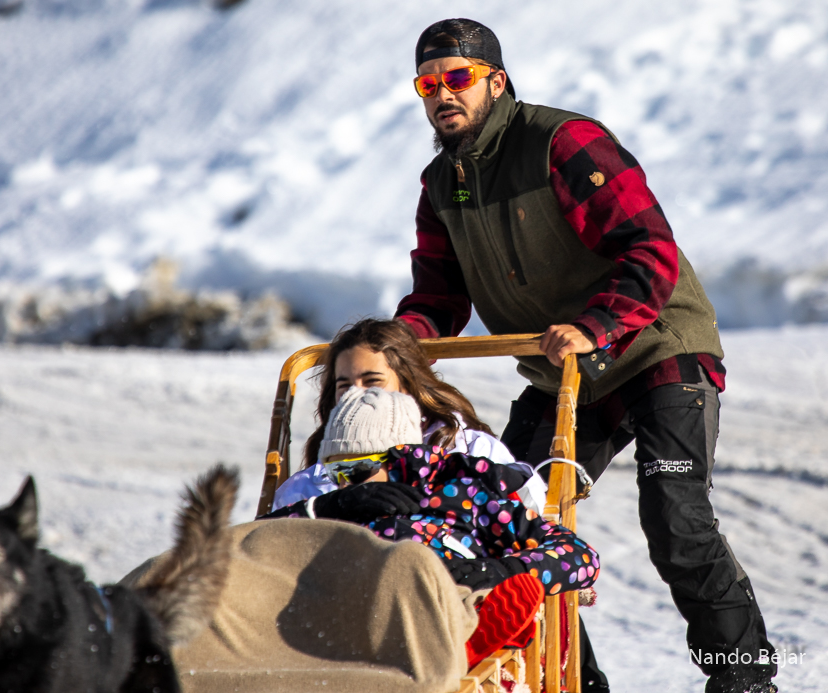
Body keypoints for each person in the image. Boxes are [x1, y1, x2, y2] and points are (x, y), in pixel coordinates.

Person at [393, 18, 775, 693]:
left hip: (655, 347)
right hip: (563, 374)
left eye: (458, 77)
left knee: (676, 519)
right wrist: (398, 344)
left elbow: (649, 248)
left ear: (496, 82)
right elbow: (439, 295)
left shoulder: (562, 142)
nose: (443, 94)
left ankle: (745, 680)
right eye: (428, 84)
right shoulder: (441, 185)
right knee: (504, 525)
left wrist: (595, 325)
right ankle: (575, 682)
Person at [263, 386, 600, 666]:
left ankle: (464, 646)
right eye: (335, 473)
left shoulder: (464, 495)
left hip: (444, 599)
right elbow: (246, 545)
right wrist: (322, 506)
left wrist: (500, 571)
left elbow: (580, 556)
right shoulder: (332, 507)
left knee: (427, 578)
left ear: (401, 458)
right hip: (347, 611)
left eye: (358, 469)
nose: (346, 484)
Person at [271, 318, 547, 515]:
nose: (357, 394)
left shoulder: (471, 451)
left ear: (408, 384)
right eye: (344, 386)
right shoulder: (314, 480)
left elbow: (526, 515)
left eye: (373, 381)